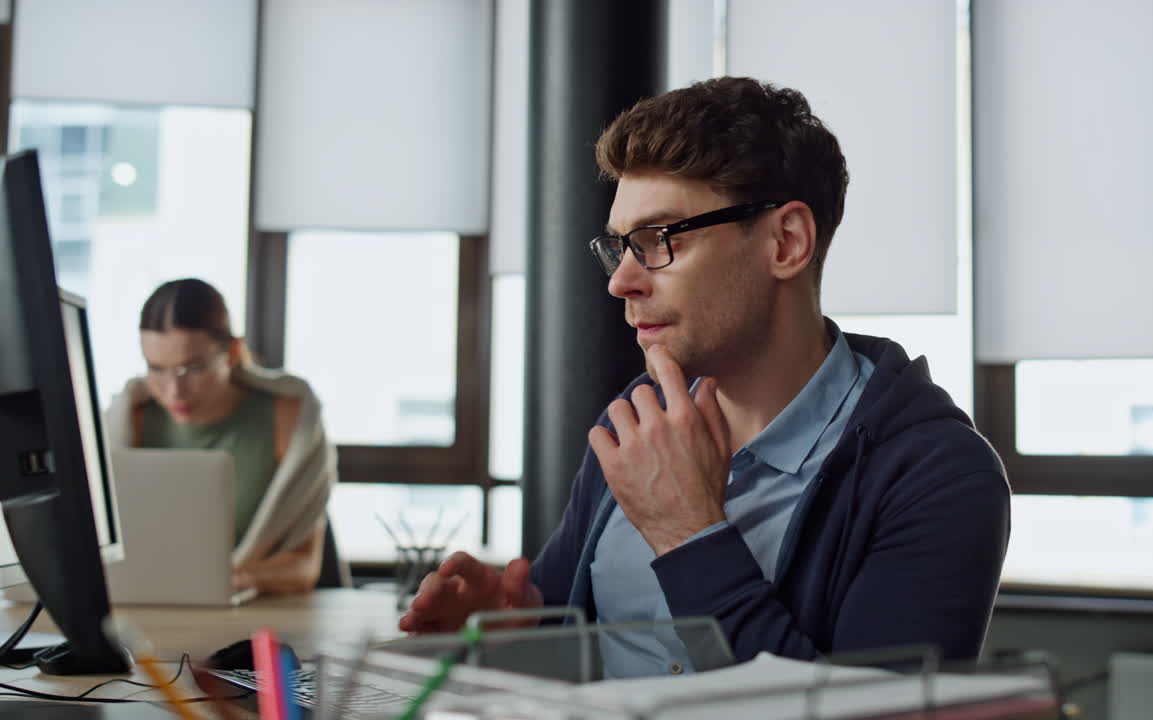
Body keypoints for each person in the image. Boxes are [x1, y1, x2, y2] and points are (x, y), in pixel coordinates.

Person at [400, 77, 1010, 671]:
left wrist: (688, 534)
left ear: (786, 243)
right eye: (619, 247)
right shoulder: (638, 419)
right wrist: (516, 632)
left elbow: (869, 714)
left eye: (658, 239)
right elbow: (572, 637)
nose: (621, 282)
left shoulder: (940, 475)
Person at [105, 278, 341, 595]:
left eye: (192, 368)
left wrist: (228, 581)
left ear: (232, 352)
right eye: (156, 368)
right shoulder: (126, 423)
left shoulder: (291, 420)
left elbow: (304, 567)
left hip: (254, 610)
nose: (174, 390)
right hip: (147, 603)